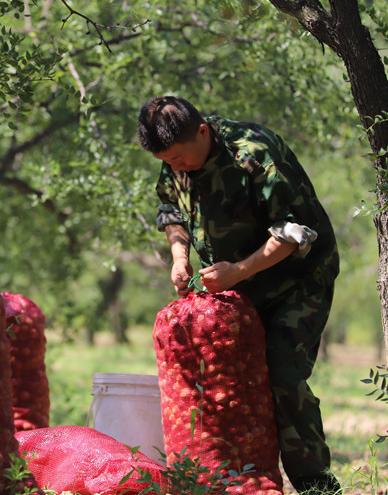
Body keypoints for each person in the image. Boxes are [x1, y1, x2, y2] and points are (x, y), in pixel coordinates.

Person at [137, 95, 341, 494]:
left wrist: (240, 270)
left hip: (296, 279)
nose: (176, 167)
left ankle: (316, 485)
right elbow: (171, 212)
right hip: (235, 290)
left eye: (179, 158)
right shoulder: (176, 155)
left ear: (202, 131)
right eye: (168, 161)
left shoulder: (255, 154)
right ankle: (242, 481)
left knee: (282, 371)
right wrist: (180, 258)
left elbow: (296, 231)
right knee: (229, 382)